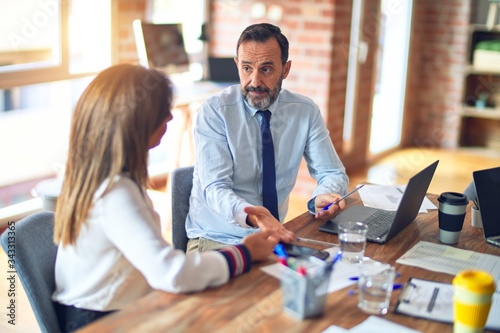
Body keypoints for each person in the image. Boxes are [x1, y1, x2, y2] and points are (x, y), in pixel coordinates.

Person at [52, 64, 279, 332]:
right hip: (106, 320)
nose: (171, 118)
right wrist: (246, 253)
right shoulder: (115, 193)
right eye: (163, 111)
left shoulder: (95, 177)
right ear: (136, 122)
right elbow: (170, 273)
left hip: (112, 306)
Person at [186, 23, 349, 252]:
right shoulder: (215, 111)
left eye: (266, 69)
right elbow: (215, 188)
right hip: (217, 238)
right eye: (246, 68)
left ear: (285, 70)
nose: (254, 82)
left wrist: (324, 195)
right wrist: (255, 217)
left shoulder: (305, 111)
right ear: (237, 66)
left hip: (272, 237)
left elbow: (332, 172)